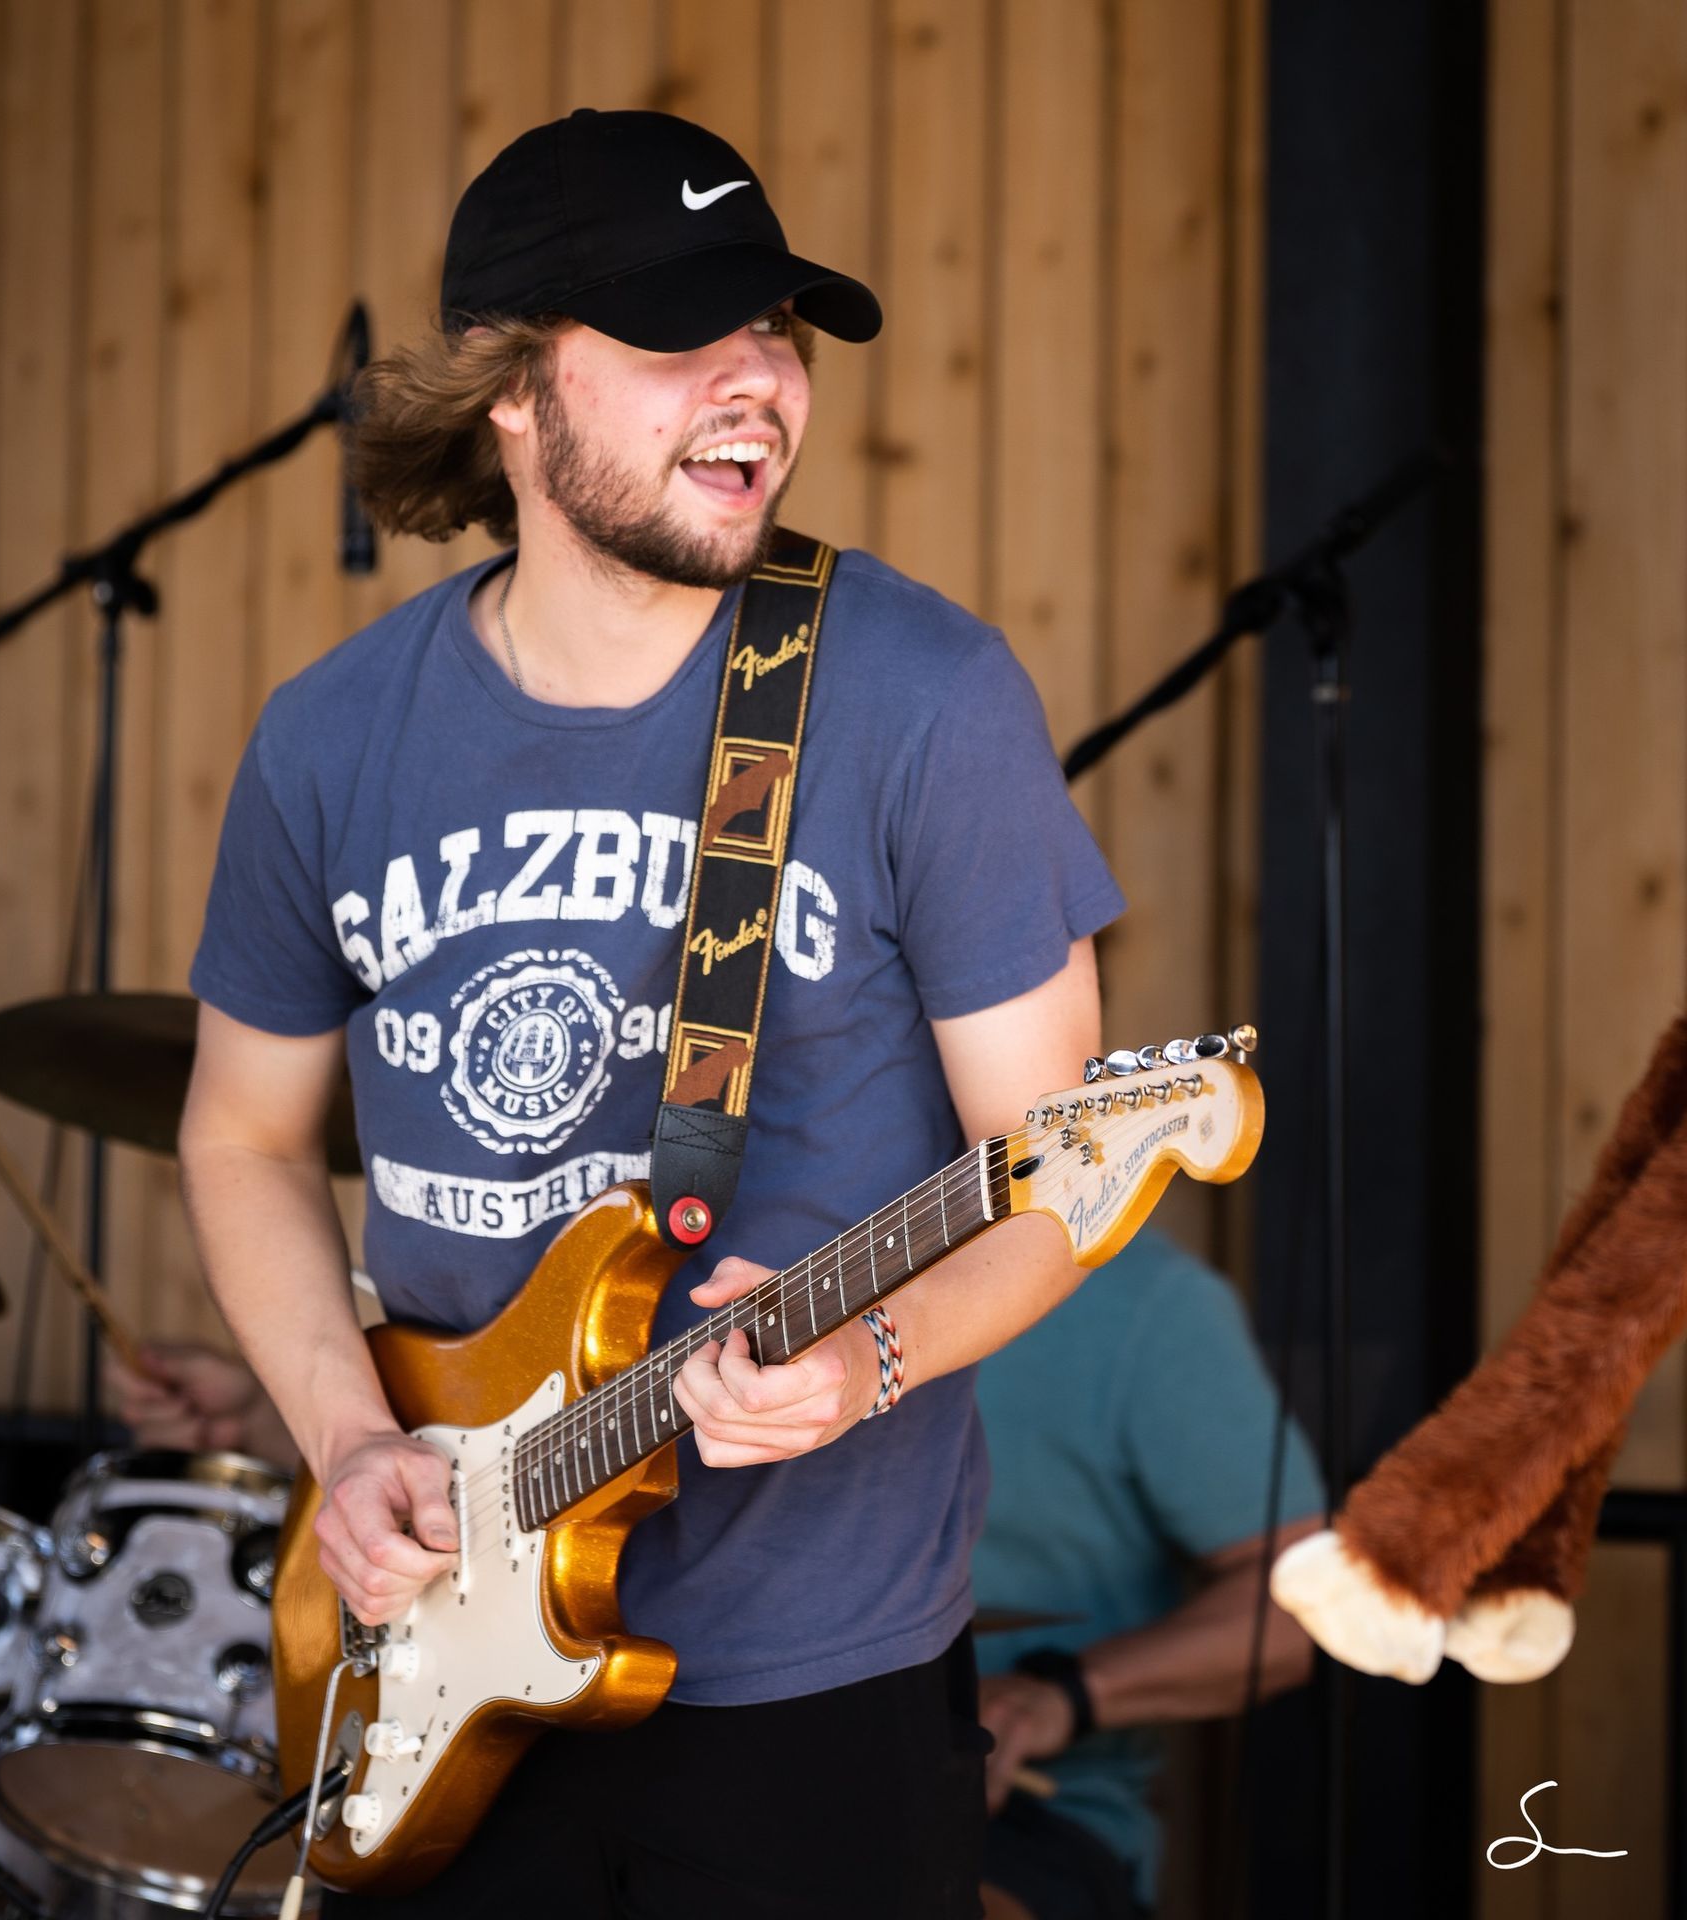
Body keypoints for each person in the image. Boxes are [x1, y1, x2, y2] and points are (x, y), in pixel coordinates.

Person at [174, 107, 1123, 1915]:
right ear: (513, 397)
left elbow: (1062, 1163)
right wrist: (343, 1435)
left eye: (780, 329)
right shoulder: (329, 736)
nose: (760, 380)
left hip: (814, 1689)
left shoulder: (919, 697)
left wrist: (877, 1360)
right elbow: (239, 1133)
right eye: (687, 338)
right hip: (442, 1654)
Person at [971, 1228, 1324, 1920]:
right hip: (756, 1779)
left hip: (1017, 1818)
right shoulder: (749, 1268)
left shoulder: (1146, 1301)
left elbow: (1302, 1604)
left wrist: (1061, 1697)